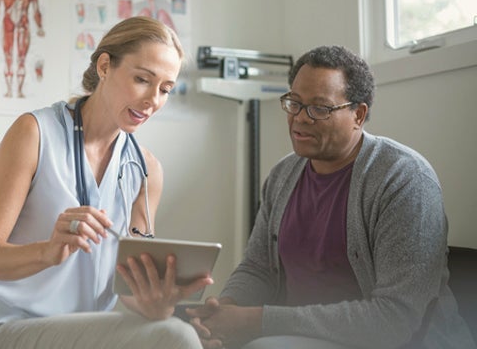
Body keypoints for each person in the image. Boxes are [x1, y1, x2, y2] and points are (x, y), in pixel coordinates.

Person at [186, 45, 476, 349]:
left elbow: (395, 320)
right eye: (294, 103)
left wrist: (257, 321)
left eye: (320, 108)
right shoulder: (283, 175)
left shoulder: (404, 180)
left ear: (358, 115)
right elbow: (258, 268)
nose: (300, 118)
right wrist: (225, 313)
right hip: (294, 336)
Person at [0, 16, 212, 349]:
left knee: (176, 330)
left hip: (85, 330)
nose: (153, 99)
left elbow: (127, 287)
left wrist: (159, 304)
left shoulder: (146, 170)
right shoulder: (35, 133)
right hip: (1, 325)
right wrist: (47, 252)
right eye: (141, 79)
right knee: (174, 338)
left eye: (165, 89)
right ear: (105, 66)